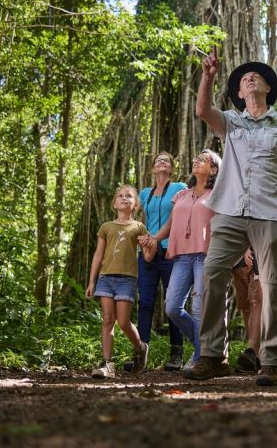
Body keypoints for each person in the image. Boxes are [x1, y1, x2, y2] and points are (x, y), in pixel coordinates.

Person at [186, 49, 277, 387]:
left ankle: (271, 361)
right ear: (240, 93)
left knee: (271, 285)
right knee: (213, 272)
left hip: (271, 213)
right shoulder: (231, 121)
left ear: (267, 89)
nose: (249, 78)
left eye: (256, 77)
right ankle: (212, 356)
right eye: (244, 79)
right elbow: (202, 111)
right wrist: (207, 77)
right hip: (230, 211)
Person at [148, 149, 222, 369]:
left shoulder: (218, 194)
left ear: (214, 170)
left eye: (203, 160)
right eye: (196, 158)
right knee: (172, 307)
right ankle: (202, 346)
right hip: (181, 256)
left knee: (199, 308)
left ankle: (200, 357)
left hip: (205, 255)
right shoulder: (181, 194)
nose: (196, 161)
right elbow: (170, 224)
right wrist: (154, 239)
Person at [86, 184, 156, 380]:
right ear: (114, 204)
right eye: (120, 196)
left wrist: (150, 246)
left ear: (135, 205)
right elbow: (98, 254)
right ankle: (107, 364)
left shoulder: (139, 227)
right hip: (105, 278)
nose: (124, 198)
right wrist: (92, 281)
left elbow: (147, 257)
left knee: (123, 321)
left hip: (127, 279)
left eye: (129, 196)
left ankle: (140, 347)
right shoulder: (106, 227)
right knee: (108, 319)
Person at [233, 195, 277, 373]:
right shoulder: (257, 195)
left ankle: (275, 358)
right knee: (256, 301)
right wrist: (246, 249)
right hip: (259, 255)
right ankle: (254, 354)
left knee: (273, 303)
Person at [136, 151, 187, 371]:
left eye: (166, 160)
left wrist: (156, 238)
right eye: (158, 160)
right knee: (145, 302)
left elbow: (177, 218)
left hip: (170, 251)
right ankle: (140, 353)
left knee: (173, 302)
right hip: (148, 252)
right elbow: (140, 220)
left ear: (172, 168)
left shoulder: (179, 188)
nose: (162, 162)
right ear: (152, 168)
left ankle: (176, 353)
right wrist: (143, 241)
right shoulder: (144, 193)